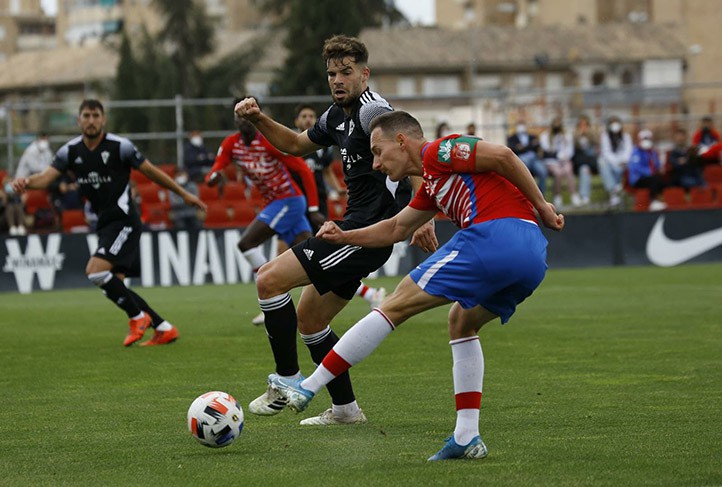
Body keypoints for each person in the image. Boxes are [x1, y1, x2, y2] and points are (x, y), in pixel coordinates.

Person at [267, 110, 564, 461]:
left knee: (395, 304)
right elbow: (395, 229)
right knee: (461, 321)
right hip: (531, 258)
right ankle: (467, 435)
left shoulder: (439, 152)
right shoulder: (434, 186)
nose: (376, 163)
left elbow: (502, 156)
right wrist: (344, 234)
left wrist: (542, 205)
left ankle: (309, 385)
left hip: (494, 237)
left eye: (378, 151)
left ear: (402, 141)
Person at [234, 35, 434, 425]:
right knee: (310, 320)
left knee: (268, 279)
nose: (338, 80)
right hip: (354, 229)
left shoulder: (370, 110)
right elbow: (293, 144)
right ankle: (345, 409)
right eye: (332, 74)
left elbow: (407, 146)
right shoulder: (335, 116)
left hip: (365, 231)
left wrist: (421, 214)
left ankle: (288, 379)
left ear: (364, 73)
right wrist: (258, 118)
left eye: (346, 72)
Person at [10, 99, 206, 346]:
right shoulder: (70, 151)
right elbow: (46, 178)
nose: (91, 120)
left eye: (95, 115)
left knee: (96, 271)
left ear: (103, 120)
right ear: (78, 120)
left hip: (125, 221)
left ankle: (137, 317)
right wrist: (25, 182)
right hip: (105, 224)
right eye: (86, 116)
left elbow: (151, 172)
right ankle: (164, 328)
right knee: (116, 286)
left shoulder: (120, 147)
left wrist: (184, 193)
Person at [206, 100, 325, 326]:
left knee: (246, 243)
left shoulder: (269, 141)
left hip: (288, 201)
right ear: (235, 120)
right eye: (239, 116)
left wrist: (313, 208)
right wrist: (214, 178)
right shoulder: (232, 144)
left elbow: (303, 169)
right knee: (315, 260)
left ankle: (271, 296)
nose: (243, 120)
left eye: (247, 115)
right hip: (279, 203)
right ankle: (370, 294)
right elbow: (216, 169)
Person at [290, 103, 387, 315]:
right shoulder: (294, 148)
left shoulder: (321, 150)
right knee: (301, 257)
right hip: (296, 206)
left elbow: (327, 174)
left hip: (316, 205)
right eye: (304, 116)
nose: (308, 119)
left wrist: (338, 189)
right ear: (296, 121)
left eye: (311, 115)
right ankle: (275, 300)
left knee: (316, 258)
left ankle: (275, 302)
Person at [539, 116, 581, 208]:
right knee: (558, 173)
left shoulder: (566, 135)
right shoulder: (545, 135)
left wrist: (564, 156)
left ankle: (574, 195)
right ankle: (557, 196)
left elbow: (570, 150)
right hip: (551, 161)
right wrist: (556, 154)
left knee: (568, 170)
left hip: (564, 160)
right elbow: (547, 149)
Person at [598, 115, 633, 207]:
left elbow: (628, 151)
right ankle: (613, 190)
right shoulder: (605, 136)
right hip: (612, 163)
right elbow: (606, 152)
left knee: (629, 164)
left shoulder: (626, 136)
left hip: (624, 163)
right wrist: (616, 163)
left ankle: (617, 189)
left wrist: (623, 161)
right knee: (602, 162)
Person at [507, 119, 548, 196]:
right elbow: (513, 149)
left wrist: (522, 148)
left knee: (542, 172)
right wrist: (530, 146)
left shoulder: (532, 136)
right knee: (525, 174)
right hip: (522, 160)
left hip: (535, 159)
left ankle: (541, 196)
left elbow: (537, 147)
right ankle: (528, 195)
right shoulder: (511, 138)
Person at [628, 129, 666, 211]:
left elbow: (657, 164)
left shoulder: (652, 152)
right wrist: (650, 172)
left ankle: (663, 200)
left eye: (648, 139)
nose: (646, 141)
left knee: (665, 182)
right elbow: (636, 167)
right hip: (638, 179)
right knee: (653, 180)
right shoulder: (636, 151)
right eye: (644, 139)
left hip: (651, 177)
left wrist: (660, 168)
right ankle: (653, 202)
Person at [571, 115, 599, 206]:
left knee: (587, 167)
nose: (583, 127)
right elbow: (574, 148)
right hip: (581, 162)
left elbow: (596, 145)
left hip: (591, 161)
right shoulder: (575, 134)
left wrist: (589, 134)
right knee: (584, 170)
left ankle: (585, 196)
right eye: (581, 125)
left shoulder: (592, 133)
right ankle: (584, 196)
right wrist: (579, 134)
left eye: (585, 124)